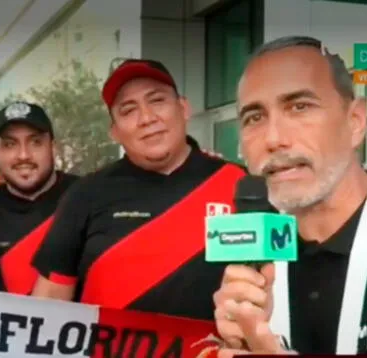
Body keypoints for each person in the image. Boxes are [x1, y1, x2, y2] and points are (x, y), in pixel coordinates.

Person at [31, 59, 247, 320]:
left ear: (184, 107)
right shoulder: (84, 195)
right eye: (128, 110)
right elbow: (48, 306)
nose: (146, 118)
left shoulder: (238, 184)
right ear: (114, 132)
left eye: (157, 100)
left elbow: (276, 286)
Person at [213, 36, 367, 356]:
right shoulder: (247, 261)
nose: (274, 139)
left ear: (355, 122)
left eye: (300, 107)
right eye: (254, 117)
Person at [0, 101, 78, 294]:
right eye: (9, 144)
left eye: (35, 142)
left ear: (53, 147)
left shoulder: (85, 198)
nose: (23, 155)